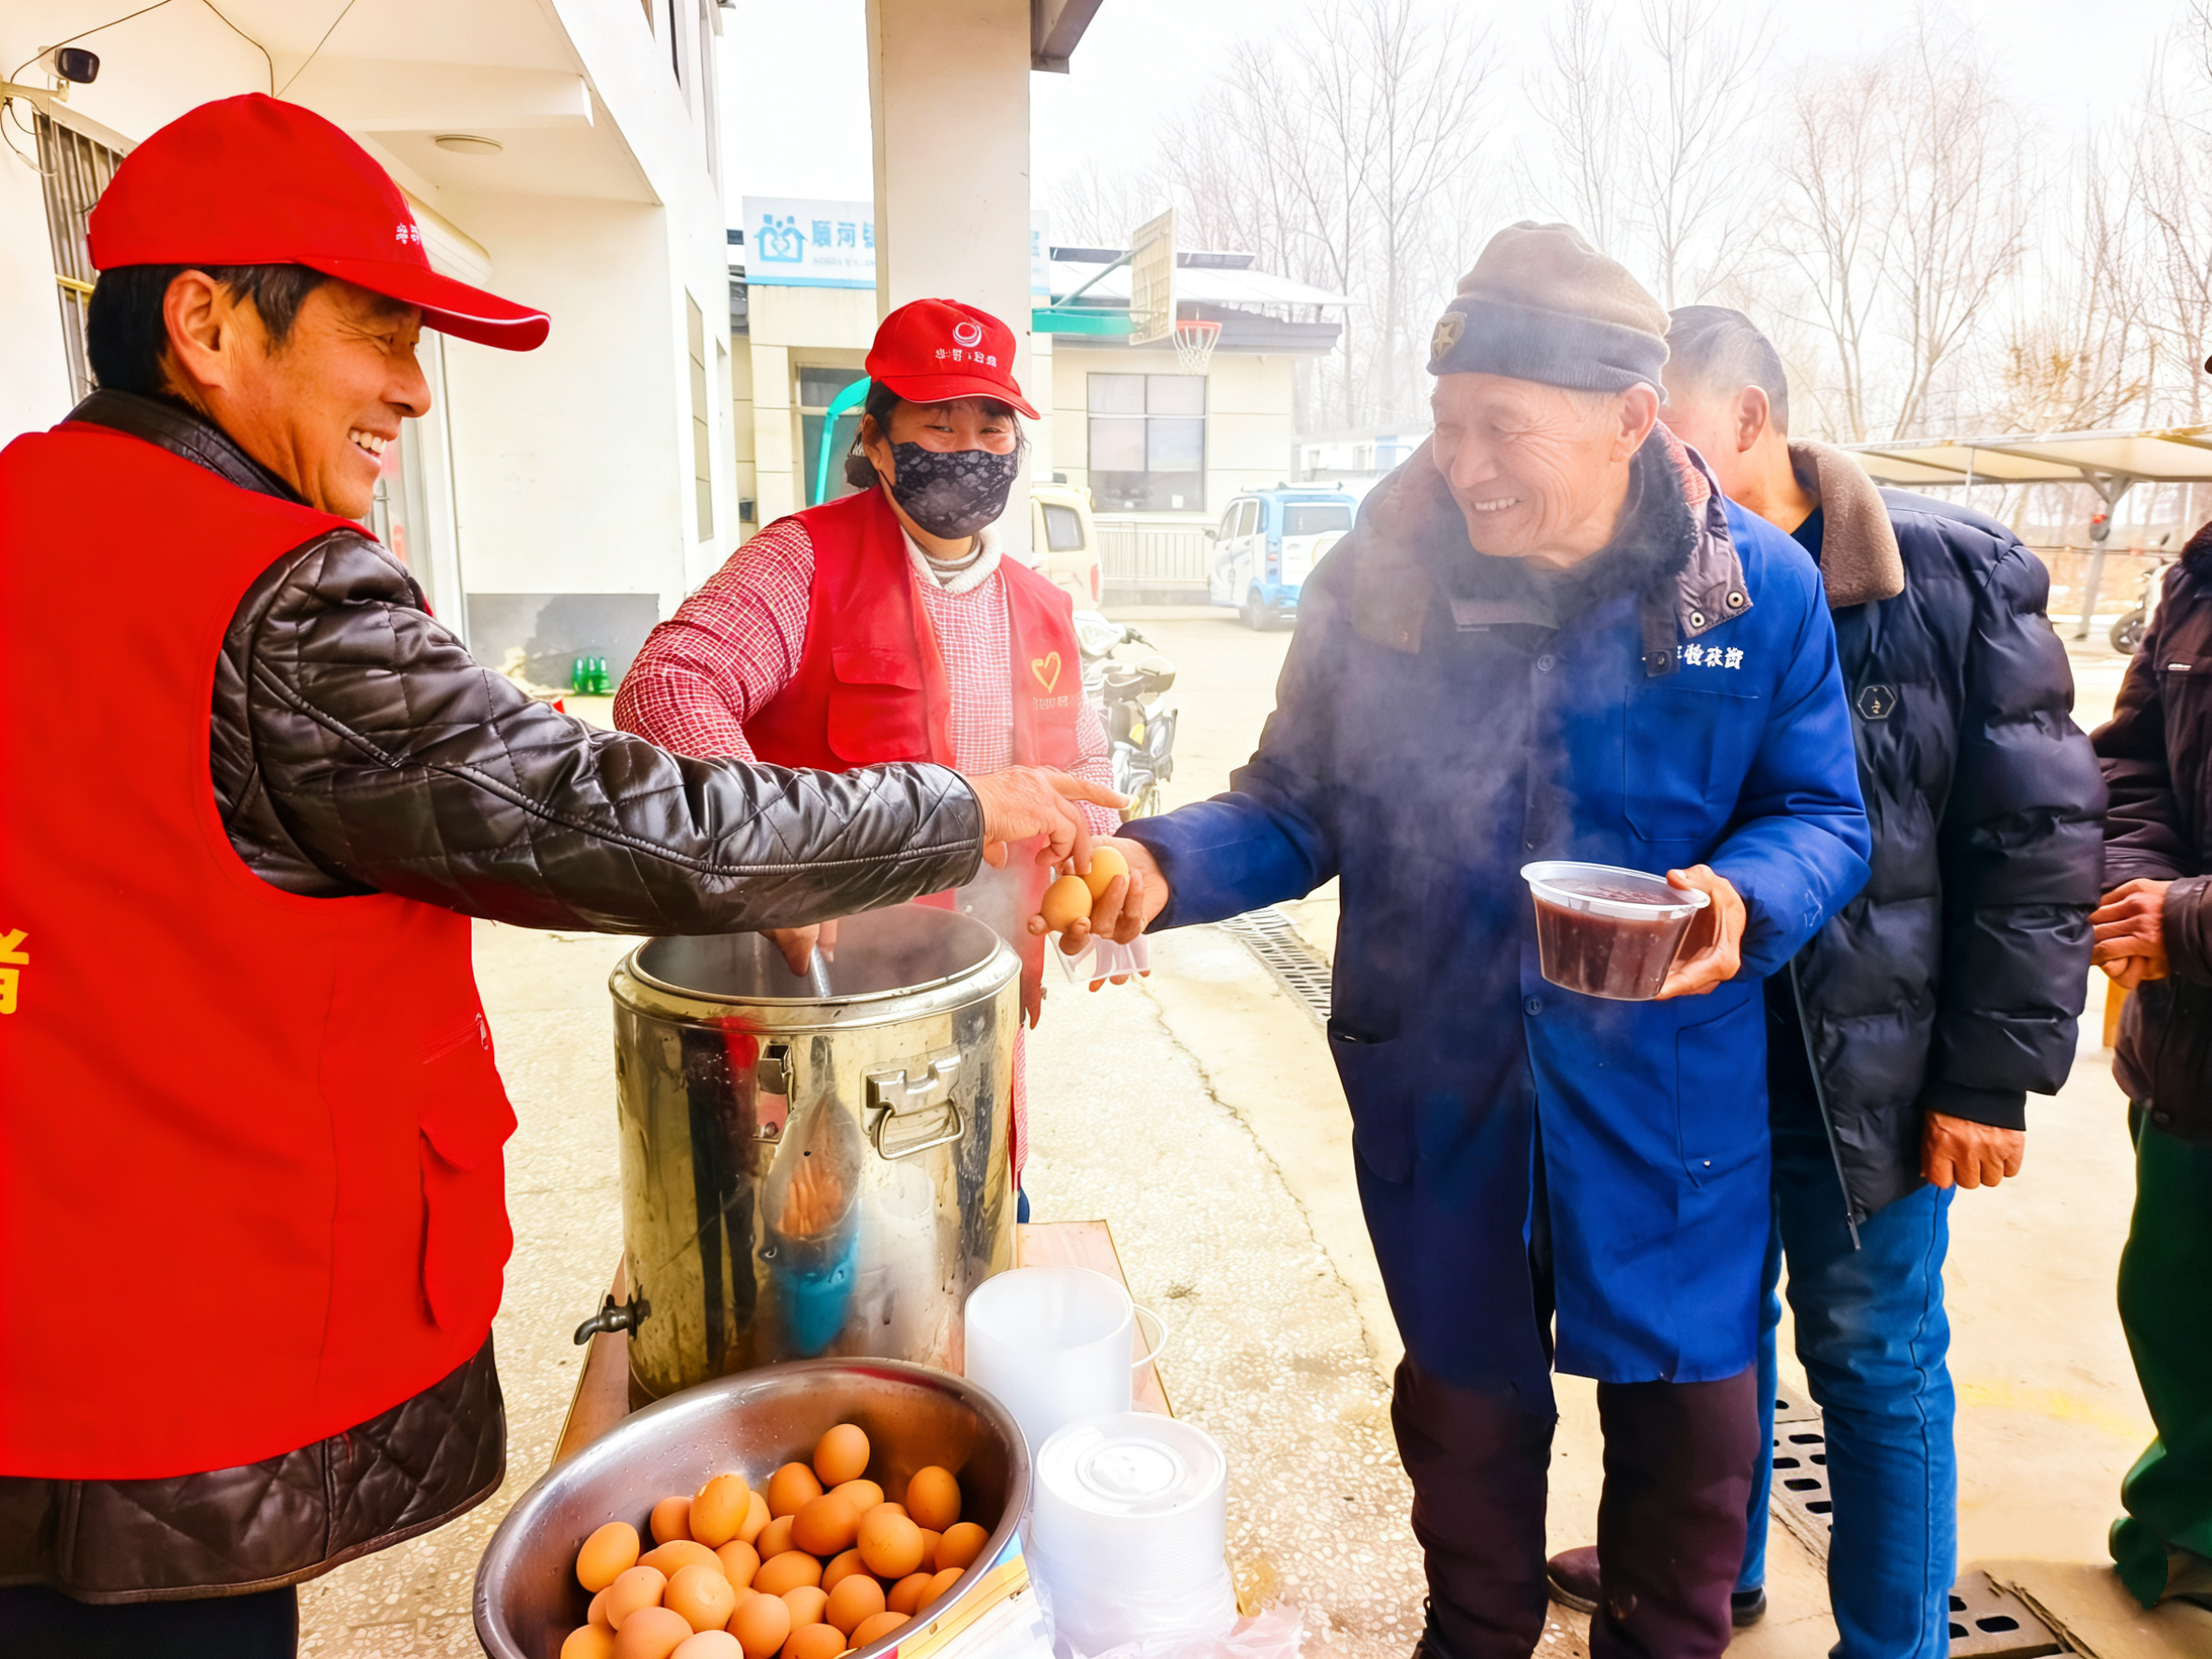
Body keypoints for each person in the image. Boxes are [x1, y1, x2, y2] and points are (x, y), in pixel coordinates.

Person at [0, 95, 1113, 1659]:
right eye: (377, 333)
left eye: (994, 422)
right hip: (165, 1348)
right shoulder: (285, 595)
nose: (412, 390)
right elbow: (624, 799)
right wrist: (942, 810)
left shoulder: (30, 516)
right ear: (203, 323)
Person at [1075, 225, 1871, 1659]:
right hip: (1442, 1076)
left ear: (1634, 420)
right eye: (1448, 424)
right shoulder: (1379, 583)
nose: (1467, 462)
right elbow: (1295, 800)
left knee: (1692, 1465)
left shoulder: (1749, 594)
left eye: (1508, 426)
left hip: (1665, 1099)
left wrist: (1740, 900)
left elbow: (1821, 811)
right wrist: (1154, 861)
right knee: (1464, 1431)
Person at [1543, 306, 2104, 1655]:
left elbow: (2034, 845)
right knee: (1710, 1338)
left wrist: (1988, 1081)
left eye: (1659, 430)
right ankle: (1714, 1568)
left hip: (1878, 1065)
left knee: (1871, 1352)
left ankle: (1891, 1641)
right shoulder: (1636, 582)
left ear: (1746, 421)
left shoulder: (1954, 579)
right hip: (1702, 1050)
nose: (1636, 467)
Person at [615, 298, 1124, 1198]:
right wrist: (767, 855)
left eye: (991, 424)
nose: (968, 445)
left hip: (977, 1005)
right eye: (938, 421)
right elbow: (667, 686)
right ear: (879, 444)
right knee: (821, 1255)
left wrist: (1102, 853)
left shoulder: (1042, 605)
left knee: (976, 1217)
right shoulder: (803, 563)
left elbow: (1077, 765)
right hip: (817, 1011)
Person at [2088, 512, 2212, 1615]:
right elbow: (2128, 762)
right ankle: (2187, 1532)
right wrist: (2141, 890)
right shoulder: (2198, 576)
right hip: (2189, 1048)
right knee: (2172, 1300)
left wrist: (2191, 920)